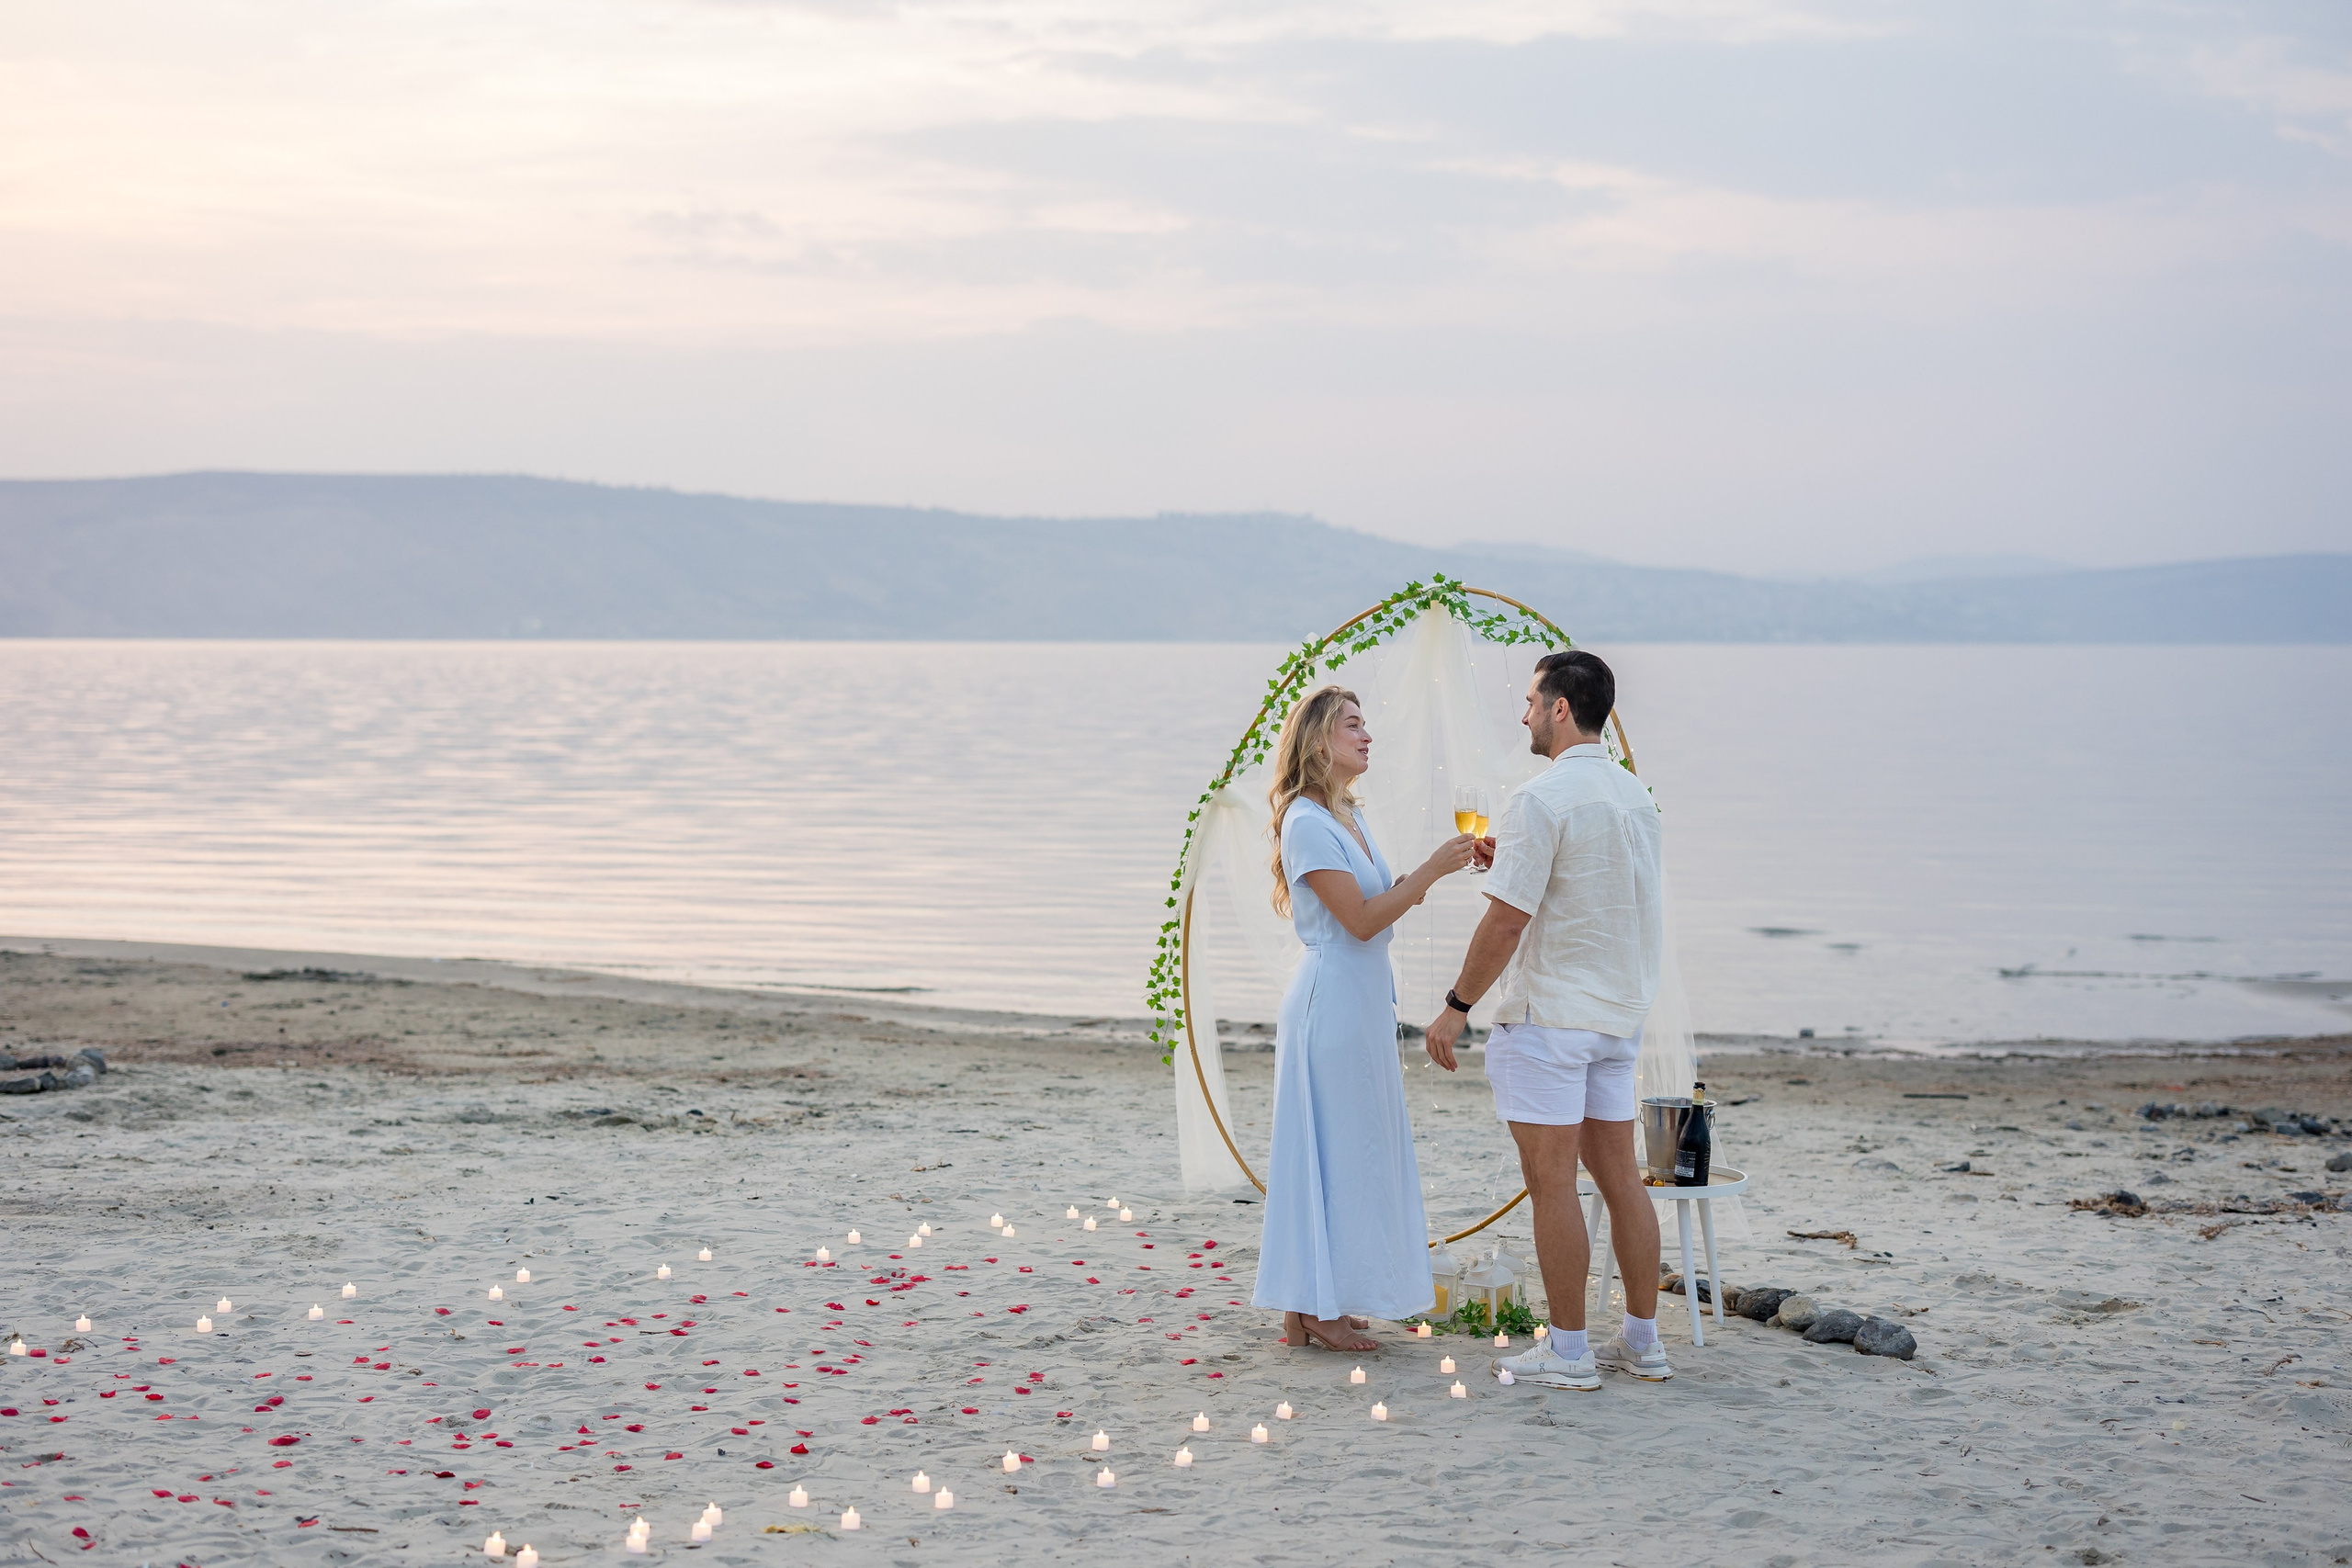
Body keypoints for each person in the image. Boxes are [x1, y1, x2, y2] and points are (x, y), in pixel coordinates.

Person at [1422, 649, 1670, 1389]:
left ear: (1562, 707)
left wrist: (1455, 1007)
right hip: (1616, 1015)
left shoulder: (1541, 799)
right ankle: (1642, 1340)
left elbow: (1505, 924)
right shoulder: (1637, 799)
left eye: (1532, 700)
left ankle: (1567, 1350)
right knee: (1621, 1178)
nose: (1525, 713)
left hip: (1552, 1015)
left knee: (1553, 1181)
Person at [1251, 684, 1479, 1353]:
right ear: (1321, 740)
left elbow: (1376, 895)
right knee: (1334, 1149)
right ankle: (1314, 1307)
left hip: (1362, 999)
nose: (1367, 735)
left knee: (1352, 1150)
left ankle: (1319, 1301)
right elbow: (1358, 921)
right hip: (1331, 1002)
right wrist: (1432, 870)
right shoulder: (1306, 822)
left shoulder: (1347, 815)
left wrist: (1451, 861)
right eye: (1353, 725)